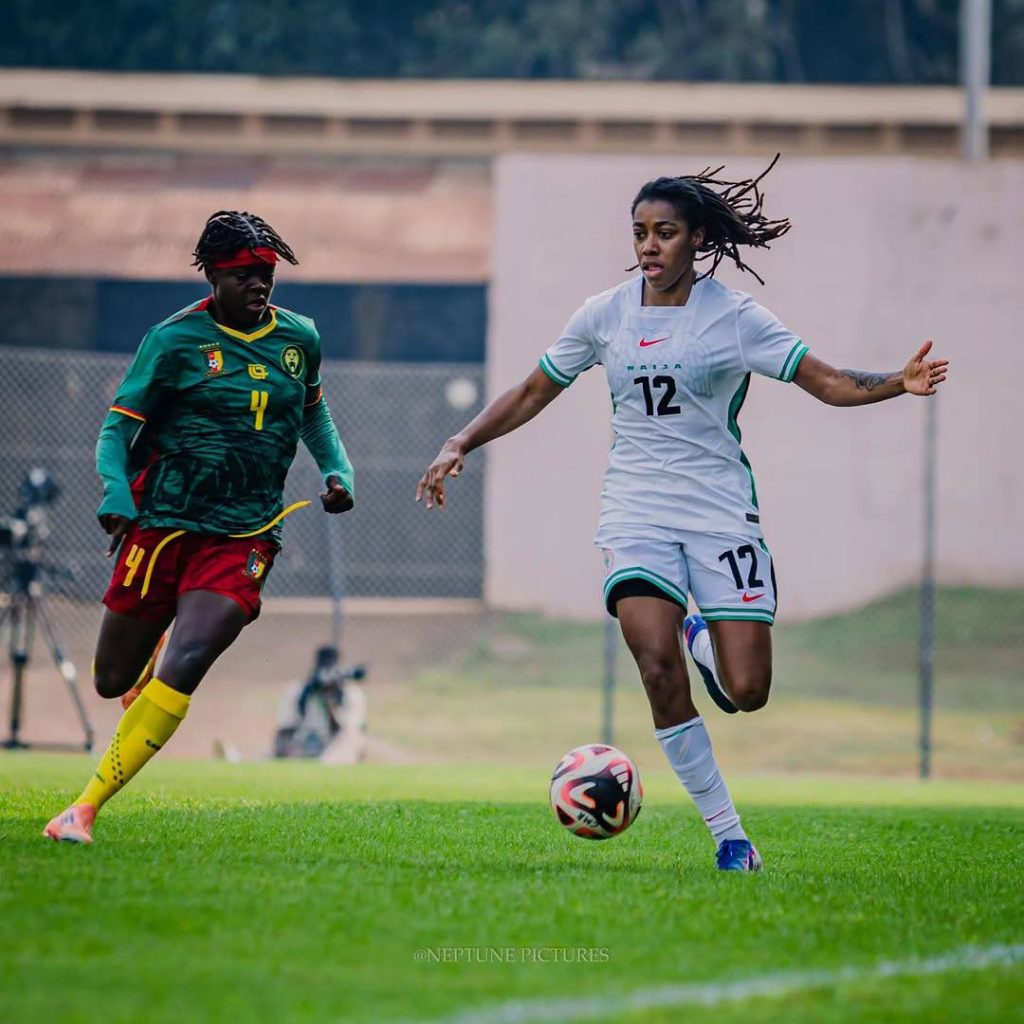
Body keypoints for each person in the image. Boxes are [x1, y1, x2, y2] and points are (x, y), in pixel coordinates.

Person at [416, 157, 948, 871]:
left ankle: (702, 633)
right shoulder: (604, 314)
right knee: (656, 667)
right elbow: (534, 389)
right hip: (635, 510)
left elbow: (824, 381)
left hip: (721, 515)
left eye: (665, 232)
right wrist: (461, 440)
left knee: (747, 692)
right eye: (639, 232)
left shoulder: (733, 318)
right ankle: (730, 838)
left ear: (698, 239)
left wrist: (896, 383)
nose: (649, 246)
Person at [44, 211, 355, 844]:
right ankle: (146, 667)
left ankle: (82, 809)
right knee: (111, 680)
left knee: (190, 656)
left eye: (266, 273)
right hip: (161, 527)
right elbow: (116, 431)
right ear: (213, 274)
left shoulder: (300, 340)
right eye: (244, 274)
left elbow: (314, 416)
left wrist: (337, 469)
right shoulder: (172, 341)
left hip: (246, 532)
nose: (259, 284)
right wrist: (115, 495)